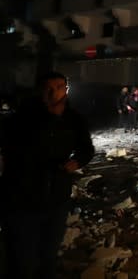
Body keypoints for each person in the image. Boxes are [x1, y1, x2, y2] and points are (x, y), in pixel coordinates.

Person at [0, 71, 95, 278]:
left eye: (59, 87)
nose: (54, 92)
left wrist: (76, 162)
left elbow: (87, 149)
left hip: (56, 200)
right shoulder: (22, 119)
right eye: (48, 88)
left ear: (66, 90)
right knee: (22, 261)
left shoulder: (73, 119)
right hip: (22, 201)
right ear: (40, 91)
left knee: (48, 257)